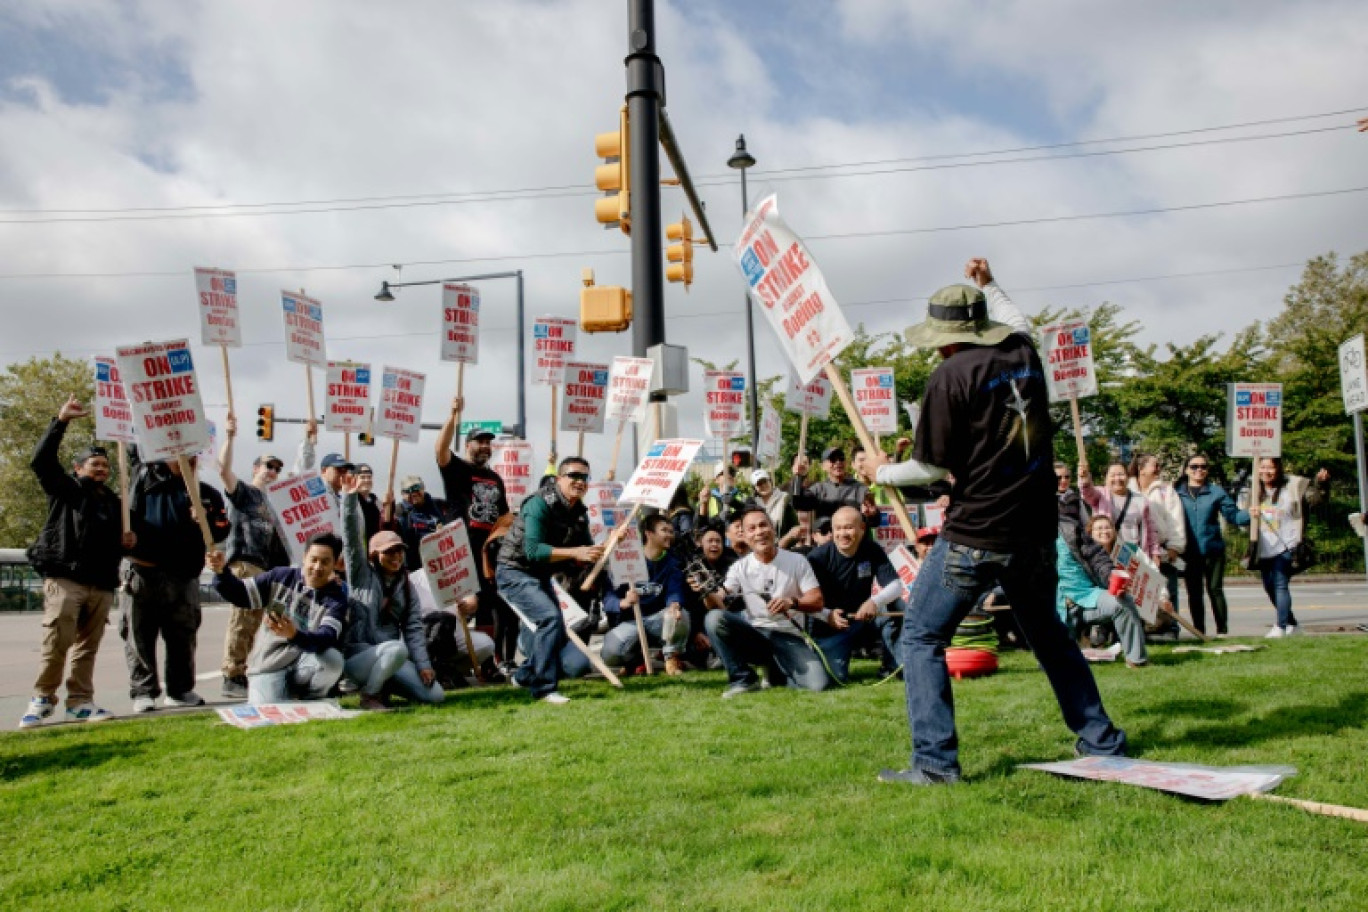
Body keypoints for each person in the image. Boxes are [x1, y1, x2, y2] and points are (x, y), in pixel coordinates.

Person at [863, 257, 1127, 785]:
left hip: (977, 530)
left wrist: (880, 470)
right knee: (1049, 635)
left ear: (945, 338)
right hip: (1034, 528)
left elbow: (931, 468)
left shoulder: (949, 377)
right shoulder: (1024, 354)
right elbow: (1019, 319)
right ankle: (1101, 741)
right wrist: (990, 284)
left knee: (920, 636)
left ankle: (935, 767)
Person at [20, 397, 133, 728]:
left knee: (87, 648)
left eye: (105, 465)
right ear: (78, 468)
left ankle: (80, 702)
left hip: (101, 584)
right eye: (94, 464)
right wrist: (61, 421)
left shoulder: (116, 504)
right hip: (66, 579)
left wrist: (127, 539)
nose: (101, 469)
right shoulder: (67, 491)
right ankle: (42, 698)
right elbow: (40, 461)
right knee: (57, 642)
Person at [122, 447, 230, 712]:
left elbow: (223, 529)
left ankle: (180, 690)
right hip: (144, 572)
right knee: (139, 634)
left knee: (183, 635)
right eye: (177, 454)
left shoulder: (207, 493)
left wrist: (205, 520)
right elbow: (136, 448)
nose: (187, 459)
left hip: (184, 576)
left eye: (192, 454)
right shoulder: (145, 481)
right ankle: (144, 691)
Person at [495, 457, 601, 703]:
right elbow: (533, 551)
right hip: (514, 571)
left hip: (539, 575)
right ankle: (544, 689)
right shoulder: (539, 504)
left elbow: (586, 549)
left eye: (585, 477)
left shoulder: (579, 512)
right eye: (574, 475)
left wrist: (610, 543)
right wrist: (576, 552)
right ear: (558, 478)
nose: (580, 482)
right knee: (550, 619)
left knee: (559, 632)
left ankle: (523, 676)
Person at [703, 506, 831, 696]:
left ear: (773, 529)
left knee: (817, 685)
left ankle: (775, 672)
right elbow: (719, 602)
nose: (759, 532)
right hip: (756, 633)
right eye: (752, 529)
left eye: (763, 525)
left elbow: (817, 600)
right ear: (745, 536)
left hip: (789, 636)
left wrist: (792, 602)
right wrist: (705, 592)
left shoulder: (797, 560)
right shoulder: (739, 567)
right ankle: (743, 679)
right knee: (714, 618)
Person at [207, 533, 347, 704]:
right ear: (304, 558)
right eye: (314, 559)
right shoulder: (280, 577)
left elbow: (327, 637)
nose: (317, 567)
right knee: (266, 713)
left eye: (325, 562)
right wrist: (222, 572)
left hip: (304, 663)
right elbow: (239, 593)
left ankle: (313, 698)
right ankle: (282, 695)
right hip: (269, 665)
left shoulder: (336, 599)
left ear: (334, 564)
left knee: (333, 660)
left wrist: (294, 635)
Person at [340, 481, 443, 708]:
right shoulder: (360, 574)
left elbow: (414, 627)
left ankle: (384, 684)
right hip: (358, 656)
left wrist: (423, 665)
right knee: (397, 648)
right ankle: (370, 695)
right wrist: (348, 501)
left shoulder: (406, 584)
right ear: (375, 555)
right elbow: (351, 542)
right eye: (388, 552)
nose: (396, 556)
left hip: (391, 658)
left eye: (399, 550)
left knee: (435, 696)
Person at [215, 413, 290, 699]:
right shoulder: (244, 493)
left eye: (276, 469)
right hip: (245, 563)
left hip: (266, 569)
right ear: (255, 468)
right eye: (267, 466)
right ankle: (232, 674)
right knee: (243, 620)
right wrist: (230, 436)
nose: (271, 472)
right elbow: (223, 470)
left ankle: (244, 671)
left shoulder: (272, 505)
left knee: (259, 622)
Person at [435, 408, 511, 660]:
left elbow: (503, 516)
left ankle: (487, 659)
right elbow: (440, 450)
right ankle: (447, 659)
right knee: (459, 606)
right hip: (461, 550)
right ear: (467, 445)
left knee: (488, 606)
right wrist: (452, 416)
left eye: (488, 443)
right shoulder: (457, 469)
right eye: (480, 441)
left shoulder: (496, 478)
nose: (485, 446)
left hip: (487, 554)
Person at [806, 506, 905, 682]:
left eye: (849, 527)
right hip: (831, 627)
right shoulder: (817, 558)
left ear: (862, 529)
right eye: (838, 528)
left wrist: (875, 602)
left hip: (863, 620)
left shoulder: (871, 549)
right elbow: (805, 601)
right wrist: (827, 615)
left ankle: (893, 666)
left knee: (898, 606)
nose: (843, 533)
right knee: (833, 677)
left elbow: (896, 586)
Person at [1057, 513, 1149, 667]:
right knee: (1060, 665)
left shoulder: (1070, 528)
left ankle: (1136, 661)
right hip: (1055, 606)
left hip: (1087, 595)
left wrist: (1110, 576)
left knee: (1122, 602)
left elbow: (1096, 556)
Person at [602, 514, 688, 675]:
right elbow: (608, 598)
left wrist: (674, 605)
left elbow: (674, 591)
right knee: (610, 654)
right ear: (649, 533)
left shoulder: (672, 563)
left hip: (658, 620)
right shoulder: (626, 559)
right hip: (630, 622)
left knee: (681, 616)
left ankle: (671, 657)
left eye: (671, 531)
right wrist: (624, 602)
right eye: (664, 530)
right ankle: (633, 661)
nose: (670, 535)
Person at [1253, 458, 1329, 638]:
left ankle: (1280, 627)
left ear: (1278, 468)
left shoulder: (1291, 488)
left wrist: (1322, 484)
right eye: (1262, 467)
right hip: (1263, 547)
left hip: (1286, 545)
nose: (1266, 471)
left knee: (1280, 585)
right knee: (1270, 587)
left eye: (1270, 467)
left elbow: (1316, 499)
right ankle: (1292, 624)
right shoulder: (1255, 491)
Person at [1176, 454, 1248, 636]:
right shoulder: (1177, 492)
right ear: (1186, 470)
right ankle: (1199, 631)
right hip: (1189, 552)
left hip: (1213, 551)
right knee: (1194, 593)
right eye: (1194, 466)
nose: (1199, 470)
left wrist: (1250, 514)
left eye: (1203, 467)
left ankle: (1222, 631)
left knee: (1215, 590)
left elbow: (1233, 515)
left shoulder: (1216, 492)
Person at [1127, 454, 1186, 633]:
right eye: (1155, 465)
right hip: (1135, 549)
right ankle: (1144, 629)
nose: (1159, 469)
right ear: (1141, 469)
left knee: (1168, 591)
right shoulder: (1128, 490)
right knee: (1139, 594)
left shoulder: (1166, 491)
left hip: (1162, 550)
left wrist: (1175, 547)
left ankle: (1170, 628)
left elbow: (1175, 519)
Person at [1080, 463, 1159, 560]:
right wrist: (1085, 479)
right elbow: (1088, 493)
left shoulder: (1140, 499)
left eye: (1121, 474)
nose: (1117, 478)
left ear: (1128, 477)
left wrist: (1155, 554)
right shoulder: (1101, 495)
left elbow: (1150, 529)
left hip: (1133, 554)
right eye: (1113, 475)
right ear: (1106, 478)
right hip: (1107, 553)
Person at [681, 524, 735, 670]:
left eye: (718, 541)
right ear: (700, 544)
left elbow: (723, 603)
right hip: (698, 625)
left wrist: (707, 591)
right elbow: (690, 606)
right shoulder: (692, 568)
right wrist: (696, 633)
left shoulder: (731, 565)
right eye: (710, 541)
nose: (714, 545)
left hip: (726, 616)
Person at [788, 446, 873, 523]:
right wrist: (798, 477)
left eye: (841, 459)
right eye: (833, 459)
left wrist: (872, 514)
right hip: (827, 538)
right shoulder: (818, 489)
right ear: (823, 466)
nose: (838, 462)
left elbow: (874, 520)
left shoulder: (860, 488)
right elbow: (798, 503)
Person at [392, 476, 448, 573]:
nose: (413, 493)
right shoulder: (398, 511)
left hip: (443, 563)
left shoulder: (440, 505)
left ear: (423, 487)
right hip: (415, 568)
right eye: (407, 491)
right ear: (402, 494)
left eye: (416, 488)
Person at [752, 469, 801, 548]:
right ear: (755, 488)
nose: (763, 485)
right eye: (759, 484)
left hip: (783, 548)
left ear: (770, 481)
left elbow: (795, 526)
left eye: (765, 481)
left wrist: (785, 543)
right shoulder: (753, 504)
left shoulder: (784, 500)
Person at [352, 464, 384, 543]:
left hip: (375, 544)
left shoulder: (375, 500)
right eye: (362, 477)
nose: (366, 480)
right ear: (354, 480)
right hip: (358, 544)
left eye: (369, 477)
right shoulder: (351, 501)